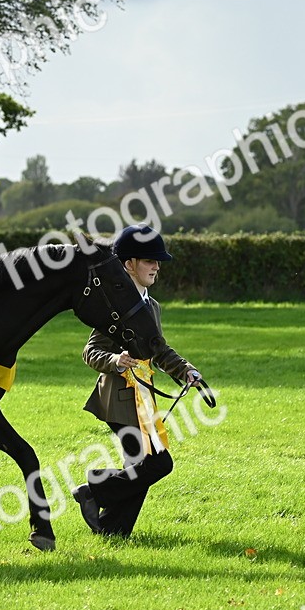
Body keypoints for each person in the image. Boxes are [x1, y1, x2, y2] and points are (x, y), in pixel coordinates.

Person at [72, 224, 203, 537]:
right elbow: (91, 351)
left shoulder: (151, 305)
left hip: (143, 401)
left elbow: (158, 349)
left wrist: (185, 370)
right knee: (157, 464)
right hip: (118, 401)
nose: (157, 266)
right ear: (128, 264)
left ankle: (112, 529)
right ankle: (93, 490)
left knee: (140, 469)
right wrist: (116, 361)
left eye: (157, 261)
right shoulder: (113, 306)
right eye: (149, 260)